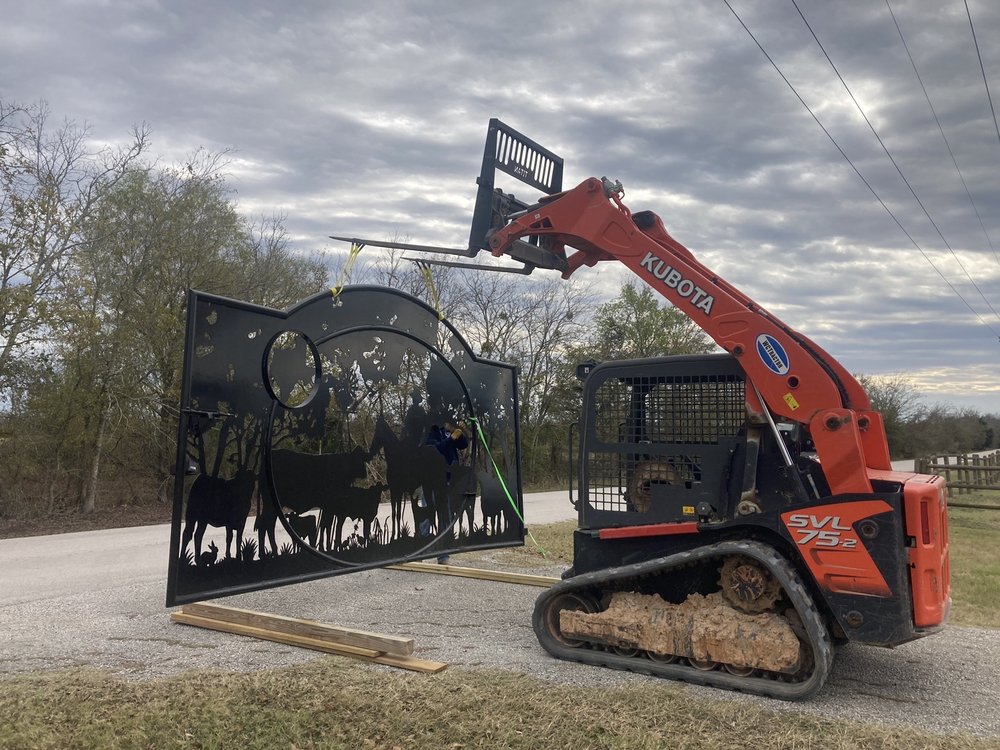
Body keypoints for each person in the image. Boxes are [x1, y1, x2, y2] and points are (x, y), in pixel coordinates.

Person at [425, 421, 469, 564]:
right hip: (431, 480)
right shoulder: (430, 430)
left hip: (448, 480)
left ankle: (443, 555)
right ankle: (420, 552)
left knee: (445, 516)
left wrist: (460, 432)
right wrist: (451, 438)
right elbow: (435, 449)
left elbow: (463, 444)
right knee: (426, 516)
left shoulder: (447, 430)